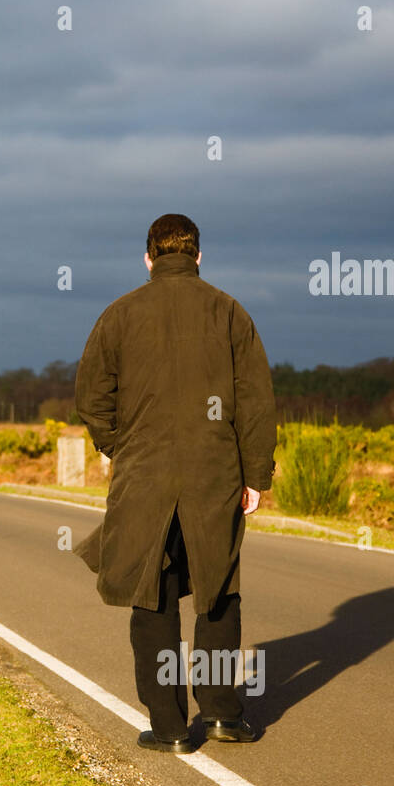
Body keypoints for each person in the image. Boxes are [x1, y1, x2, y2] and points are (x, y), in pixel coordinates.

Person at [72, 213, 277, 753]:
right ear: (199, 256)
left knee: (152, 592)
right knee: (218, 593)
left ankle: (168, 727)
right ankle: (223, 717)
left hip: (143, 475)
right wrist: (256, 476)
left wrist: (122, 445)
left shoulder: (117, 315)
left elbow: (91, 399)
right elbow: (256, 402)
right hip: (217, 475)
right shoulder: (230, 313)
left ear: (147, 258)